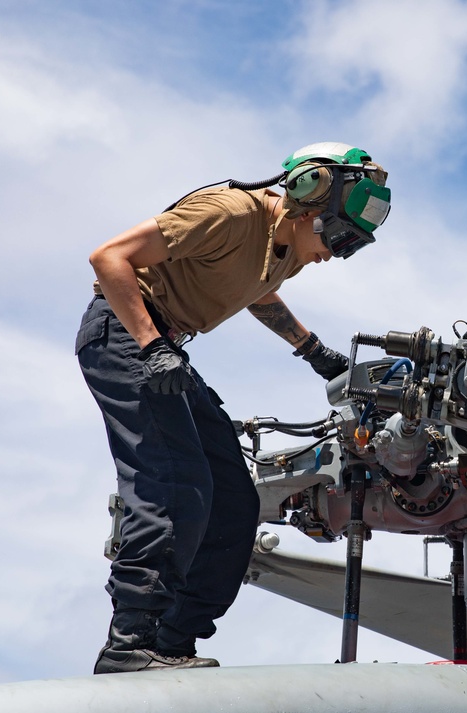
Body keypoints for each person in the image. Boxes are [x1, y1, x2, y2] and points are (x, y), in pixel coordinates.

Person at [76, 142, 391, 674]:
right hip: (125, 336)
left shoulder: (284, 249)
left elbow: (254, 290)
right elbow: (110, 258)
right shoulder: (227, 213)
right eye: (336, 237)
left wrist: (314, 352)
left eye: (351, 246)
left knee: (231, 500)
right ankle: (130, 642)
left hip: (164, 350)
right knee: (175, 486)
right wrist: (152, 347)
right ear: (306, 195)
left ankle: (173, 641)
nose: (334, 254)